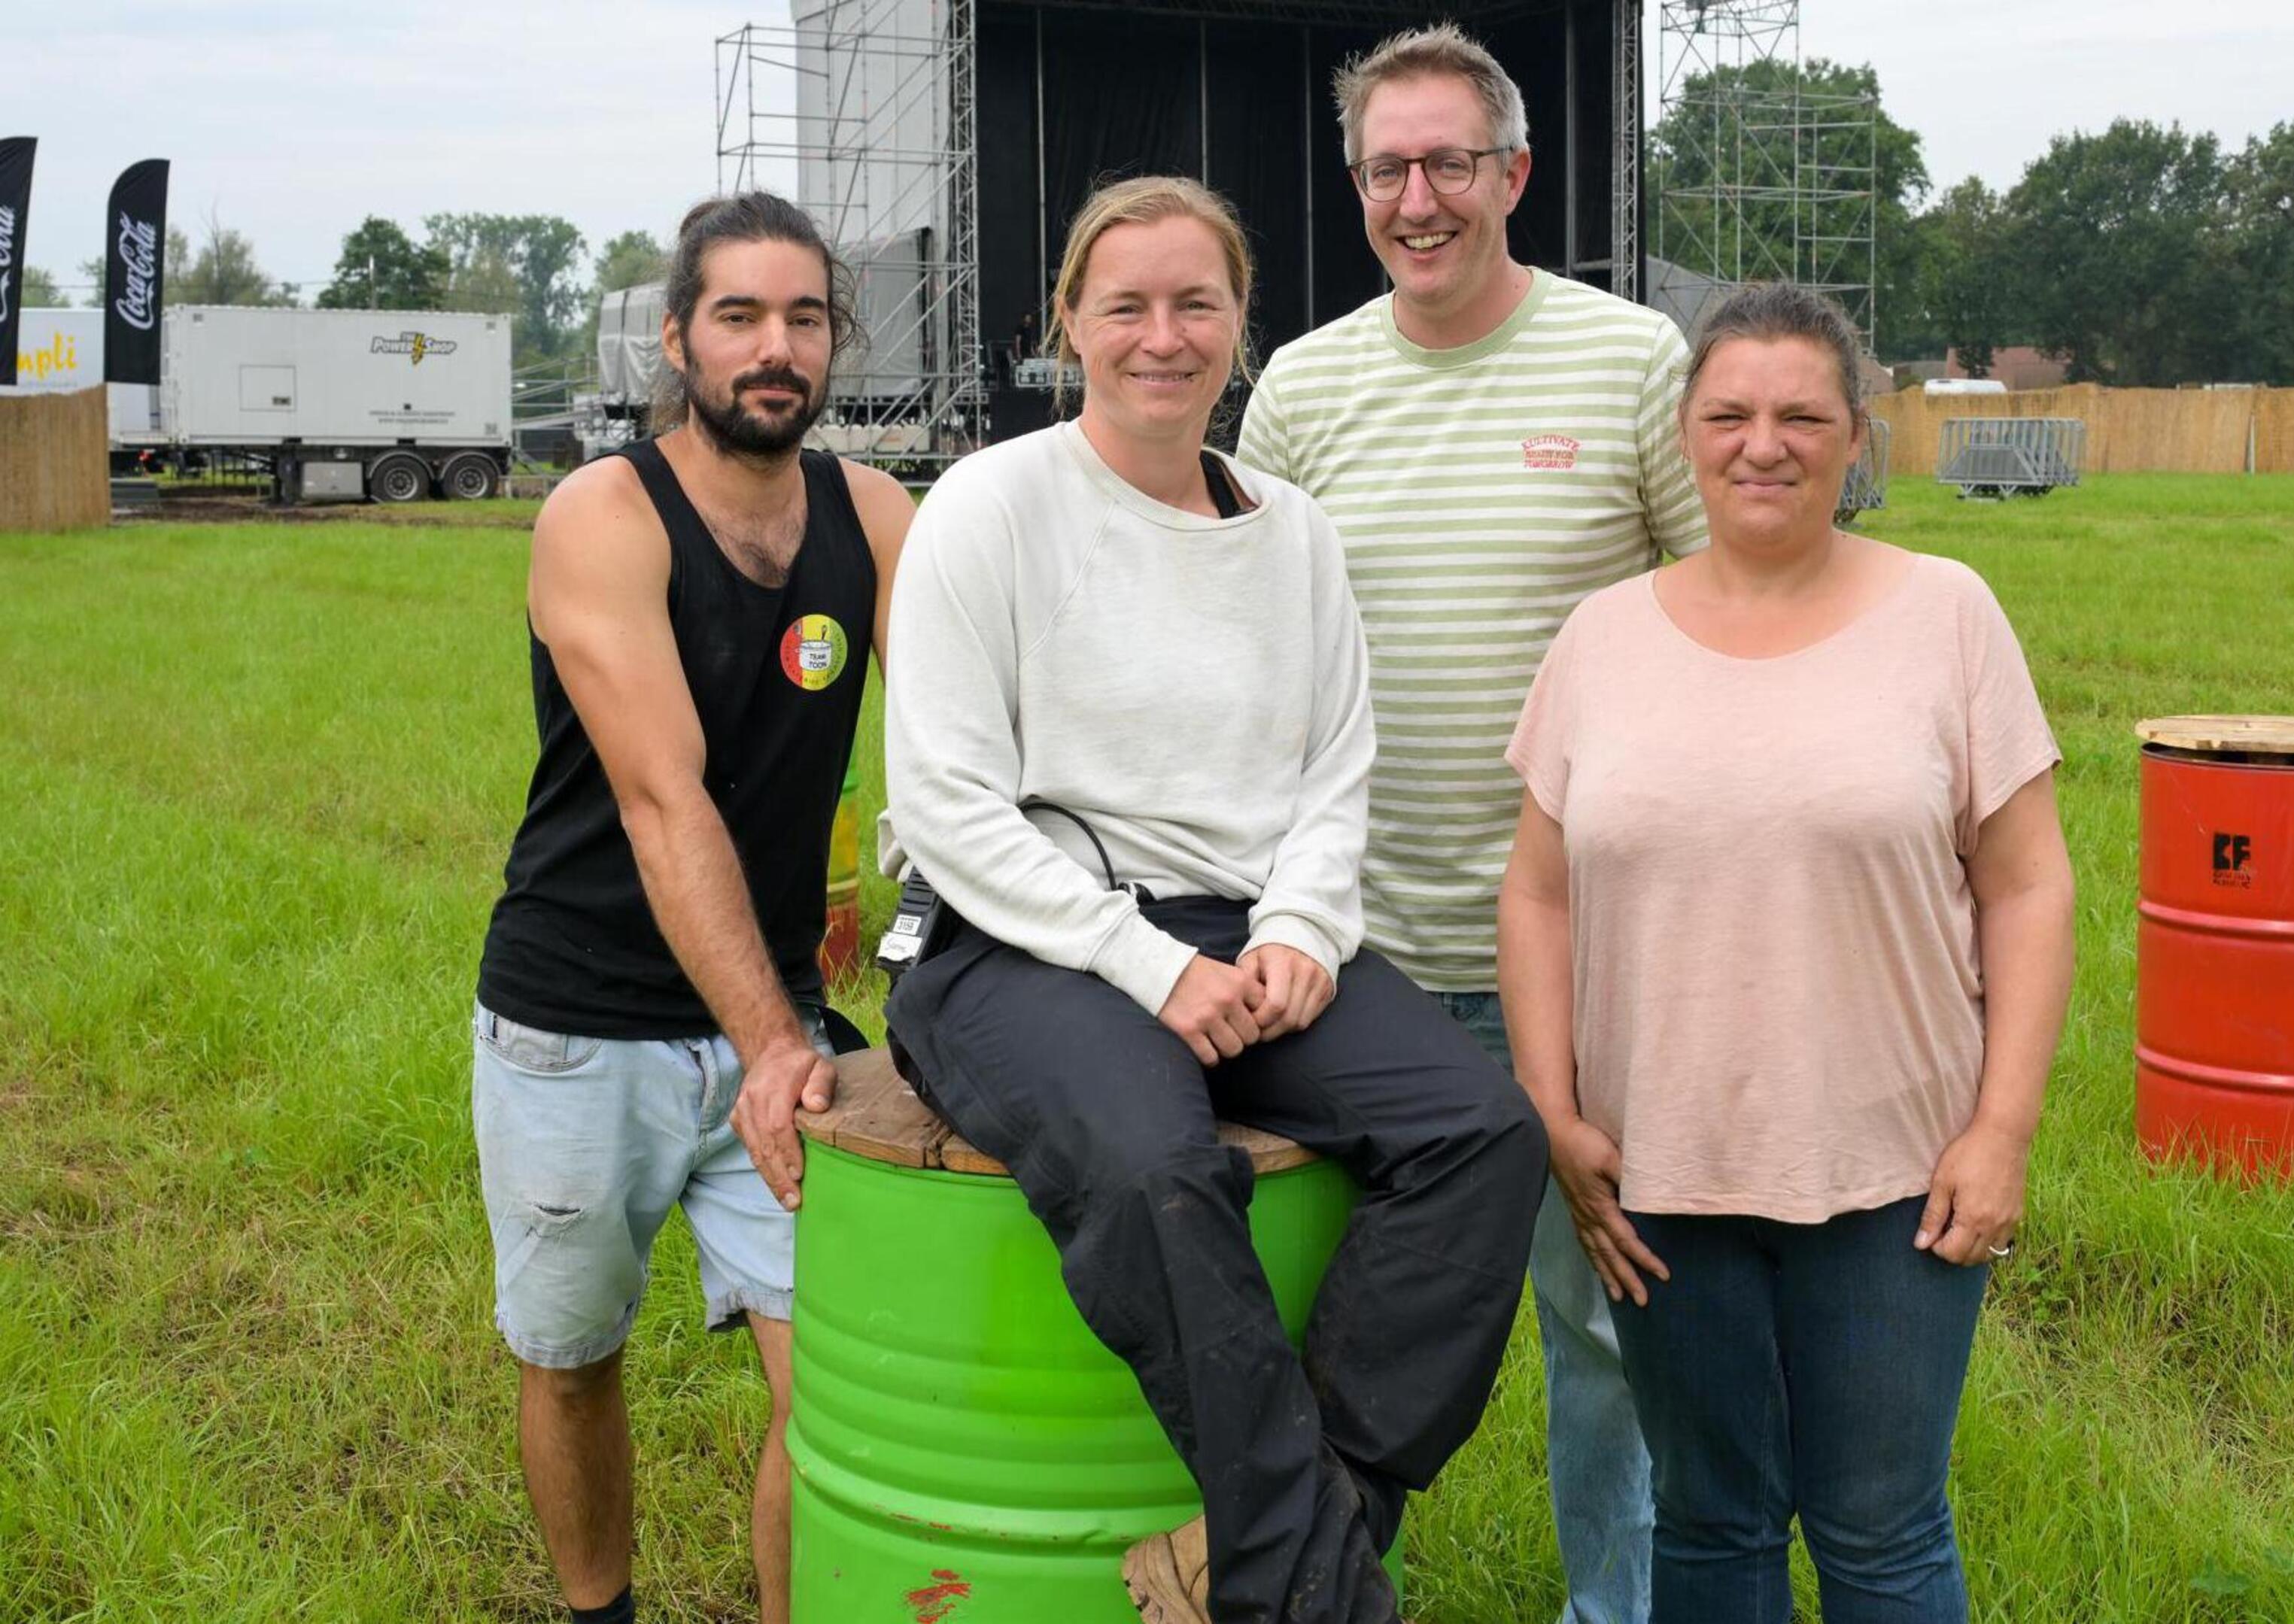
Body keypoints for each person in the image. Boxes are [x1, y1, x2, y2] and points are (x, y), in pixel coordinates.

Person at [881, 175, 1546, 1624]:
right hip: (1021, 943)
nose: (1161, 337)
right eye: (1125, 305)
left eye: (1197, 304)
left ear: (1243, 326)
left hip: (1243, 932)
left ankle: (1303, 1523)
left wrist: (1304, 929)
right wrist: (1143, 965)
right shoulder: (991, 507)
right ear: (1069, 324)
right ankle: (1316, 1595)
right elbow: (943, 803)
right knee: (1155, 1168)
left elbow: (1335, 765)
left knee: (1485, 1132)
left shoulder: (1292, 534)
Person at [1498, 282, 2077, 1624]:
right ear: (1687, 434)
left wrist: (2003, 1130)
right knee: (1711, 1525)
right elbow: (1536, 895)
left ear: (1857, 436)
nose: (1766, 443)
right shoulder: (1603, 639)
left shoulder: (1948, 615)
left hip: (1896, 1172)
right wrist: (1549, 1107)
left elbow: (2031, 887)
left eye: (1803, 415)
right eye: (1732, 414)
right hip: (1660, 1174)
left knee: (1879, 1531)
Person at [1233, 28, 1702, 1622]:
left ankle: (1619, 1609)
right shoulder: (1300, 388)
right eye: (1385, 168)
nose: (1415, 197)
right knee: (1343, 1332)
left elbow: (1727, 622)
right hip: (1351, 966)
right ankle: (1337, 1597)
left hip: (1590, 962)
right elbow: (1250, 660)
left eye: (1447, 163)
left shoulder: (1634, 362)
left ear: (1515, 172)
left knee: (1612, 1331)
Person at [470, 192, 915, 1624]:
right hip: (579, 1022)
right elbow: (667, 807)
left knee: (836, 1381)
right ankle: (602, 1610)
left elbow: (983, 737)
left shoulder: (877, 515)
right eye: (739, 317)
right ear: (677, 339)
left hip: (780, 1028)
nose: (774, 348)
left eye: (804, 318)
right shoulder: (604, 517)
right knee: (573, 1352)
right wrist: (776, 1043)